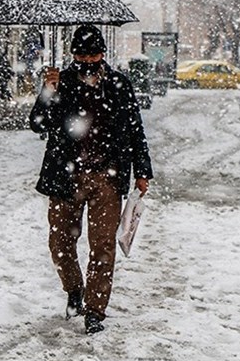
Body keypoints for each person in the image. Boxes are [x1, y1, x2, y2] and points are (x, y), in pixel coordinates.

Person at [29, 24, 153, 334]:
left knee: (102, 246)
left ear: (102, 54)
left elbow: (135, 128)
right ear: (73, 54)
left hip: (106, 177)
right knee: (60, 242)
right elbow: (37, 123)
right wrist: (48, 92)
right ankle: (74, 290)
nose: (87, 61)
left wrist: (142, 169)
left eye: (93, 54)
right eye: (81, 55)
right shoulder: (61, 82)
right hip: (65, 175)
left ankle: (96, 309)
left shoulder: (119, 85)